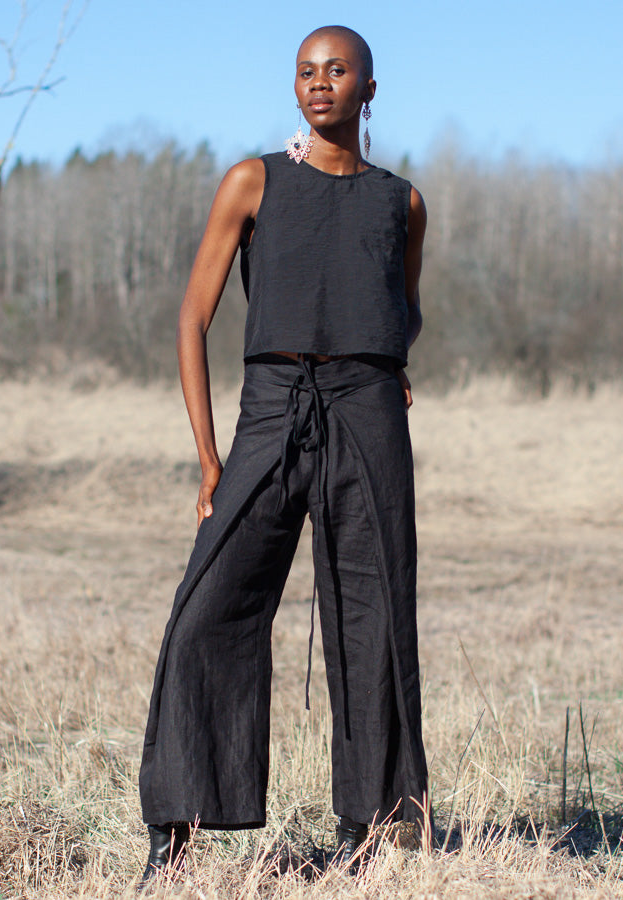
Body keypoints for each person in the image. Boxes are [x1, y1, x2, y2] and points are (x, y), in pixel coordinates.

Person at [137, 24, 429, 887]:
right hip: (270, 413)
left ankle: (369, 832)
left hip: (367, 418)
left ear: (370, 88)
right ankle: (177, 828)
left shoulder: (402, 201)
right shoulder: (254, 180)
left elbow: (405, 306)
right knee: (207, 609)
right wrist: (206, 458)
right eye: (306, 71)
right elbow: (193, 319)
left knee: (373, 621)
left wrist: (389, 364)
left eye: (338, 71)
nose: (320, 83)